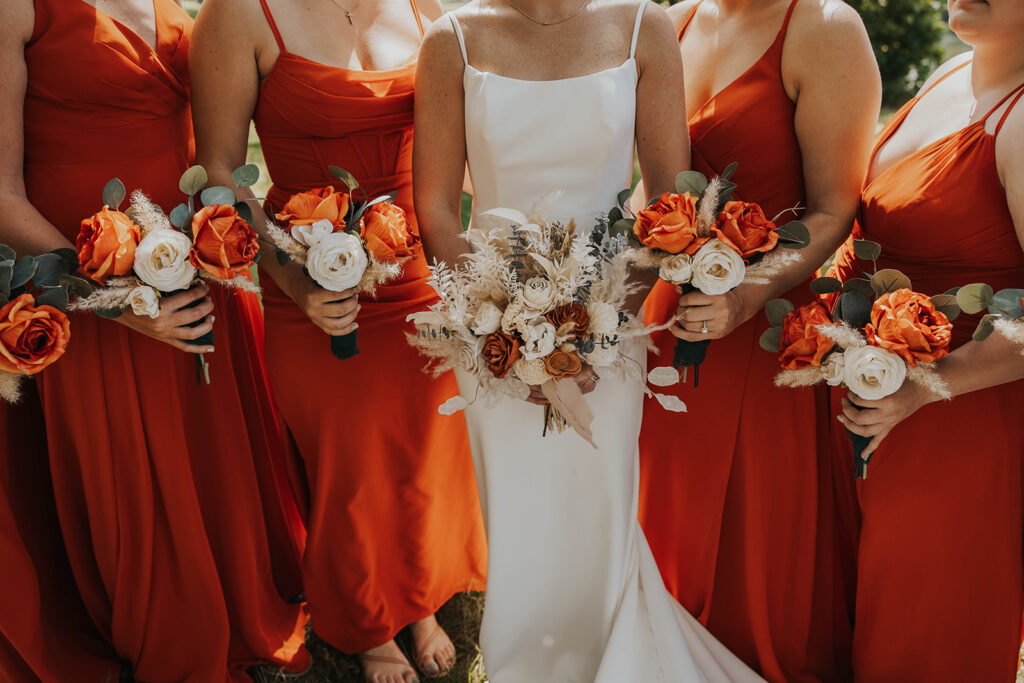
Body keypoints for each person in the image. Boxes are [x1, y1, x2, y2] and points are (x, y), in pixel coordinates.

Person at [415, 1, 764, 681]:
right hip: (494, 335)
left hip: (613, 319)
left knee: (595, 507)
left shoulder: (643, 27)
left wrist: (598, 329)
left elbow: (668, 201)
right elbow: (434, 205)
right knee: (519, 515)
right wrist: (506, 325)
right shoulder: (451, 39)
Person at [0, 0, 309, 679]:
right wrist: (117, 300)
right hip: (87, 283)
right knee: (132, 467)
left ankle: (237, 589)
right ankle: (176, 618)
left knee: (208, 445)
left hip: (193, 259)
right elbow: (2, 192)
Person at [190, 1, 487, 681]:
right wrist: (298, 282)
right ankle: (367, 622)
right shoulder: (237, 16)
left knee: (421, 449)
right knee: (349, 459)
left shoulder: (425, 7)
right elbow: (219, 175)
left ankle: (415, 604)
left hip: (416, 277)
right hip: (314, 284)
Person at [636, 1, 879, 679]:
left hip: (769, 328)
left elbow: (834, 208)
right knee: (667, 507)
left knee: (758, 534)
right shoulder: (673, 19)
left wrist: (745, 294)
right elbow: (651, 188)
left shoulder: (824, 27)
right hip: (669, 316)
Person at [828, 0, 1024, 677]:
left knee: (924, 636)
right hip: (873, 400)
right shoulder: (951, 72)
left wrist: (920, 387)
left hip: (954, 422)